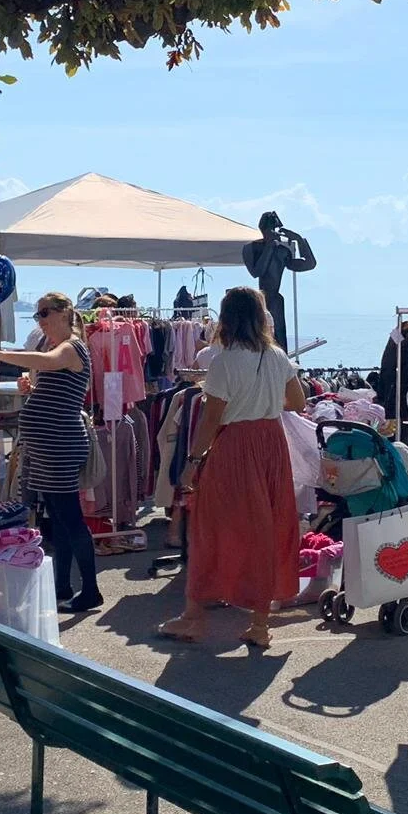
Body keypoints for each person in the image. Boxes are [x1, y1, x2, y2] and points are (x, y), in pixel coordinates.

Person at [161, 286, 306, 648]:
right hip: (271, 443)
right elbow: (298, 402)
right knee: (266, 530)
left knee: (210, 527)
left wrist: (192, 464)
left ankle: (194, 616)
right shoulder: (276, 356)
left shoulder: (225, 361)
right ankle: (259, 625)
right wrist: (265, 403)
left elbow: (211, 419)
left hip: (236, 446)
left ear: (226, 318)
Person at [0, 293, 101, 613]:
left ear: (62, 314)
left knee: (69, 517)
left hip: (60, 446)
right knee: (57, 519)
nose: (40, 320)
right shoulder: (51, 348)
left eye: (44, 313)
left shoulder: (71, 346)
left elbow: (52, 362)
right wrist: (32, 387)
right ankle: (63, 585)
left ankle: (91, 589)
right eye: (37, 315)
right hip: (47, 446)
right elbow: (49, 376)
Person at [240, 211, 316, 352]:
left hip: (275, 299)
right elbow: (257, 272)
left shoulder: (281, 251)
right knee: (262, 339)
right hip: (261, 299)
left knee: (280, 341)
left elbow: (309, 264)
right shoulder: (250, 248)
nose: (272, 232)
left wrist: (299, 240)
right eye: (269, 229)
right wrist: (269, 246)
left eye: (273, 229)